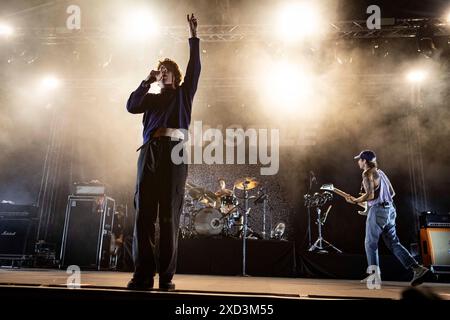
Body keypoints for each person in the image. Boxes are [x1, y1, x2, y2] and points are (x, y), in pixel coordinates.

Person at [125, 14, 200, 291]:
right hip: (150, 151)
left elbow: (195, 68)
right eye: (160, 69)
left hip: (175, 152)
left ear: (175, 75)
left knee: (169, 215)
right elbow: (131, 106)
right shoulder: (152, 98)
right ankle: (142, 274)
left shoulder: (184, 93)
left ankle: (166, 277)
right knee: (144, 213)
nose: (164, 71)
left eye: (168, 69)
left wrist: (193, 37)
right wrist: (147, 80)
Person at [345, 150, 429, 286]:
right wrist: (367, 202)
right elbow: (392, 192)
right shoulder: (381, 173)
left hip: (378, 212)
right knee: (393, 243)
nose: (358, 162)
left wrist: (355, 201)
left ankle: (374, 276)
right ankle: (417, 268)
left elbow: (371, 196)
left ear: (365, 161)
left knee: (370, 243)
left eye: (359, 160)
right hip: (390, 210)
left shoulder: (366, 174)